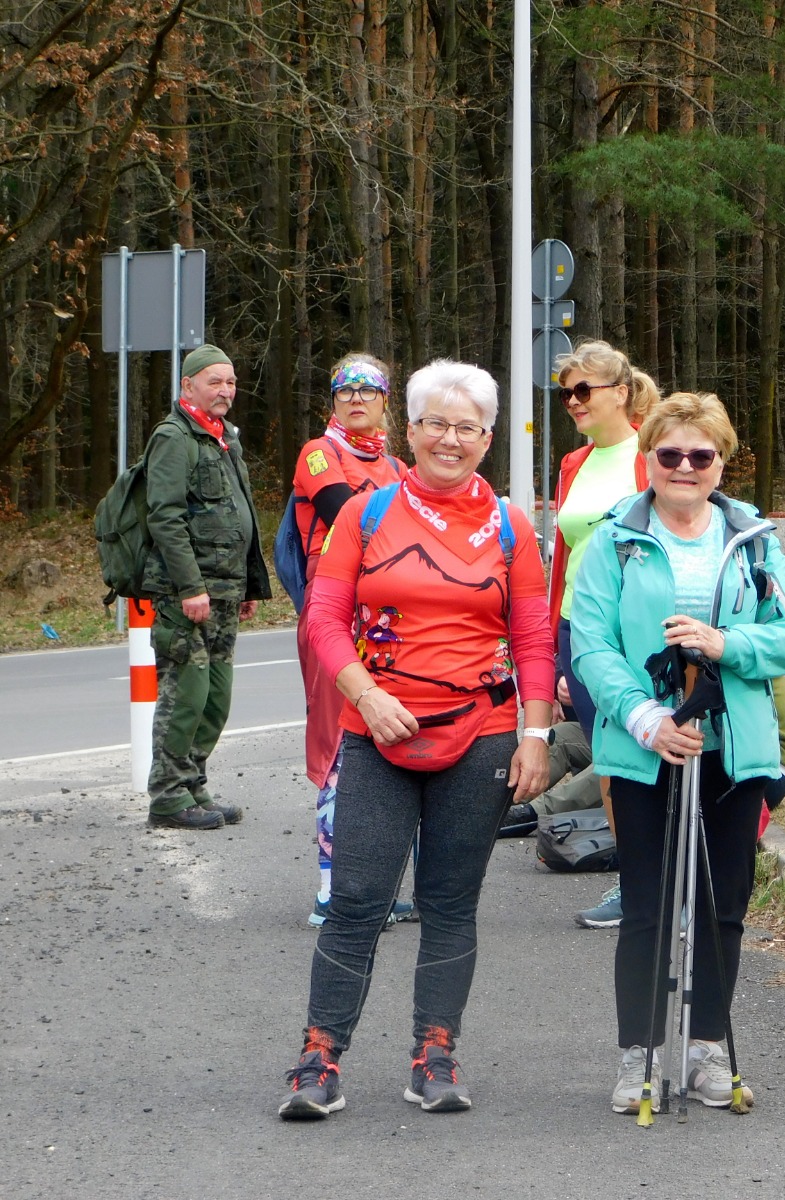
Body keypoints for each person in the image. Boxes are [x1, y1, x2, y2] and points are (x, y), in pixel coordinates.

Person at [278, 359, 556, 1120]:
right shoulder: (366, 515)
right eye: (437, 423)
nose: (450, 439)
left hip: (483, 734)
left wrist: (535, 734)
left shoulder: (511, 525)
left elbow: (534, 636)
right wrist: (365, 694)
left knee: (450, 902)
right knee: (356, 900)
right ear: (411, 430)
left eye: (468, 428)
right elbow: (324, 617)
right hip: (376, 730)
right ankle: (318, 1060)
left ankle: (435, 1055)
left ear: (488, 439)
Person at [570, 391, 785, 1114]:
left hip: (734, 746)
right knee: (647, 906)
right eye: (669, 453)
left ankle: (706, 1049)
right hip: (645, 746)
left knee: (721, 906)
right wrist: (647, 719)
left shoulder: (753, 540)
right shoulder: (614, 540)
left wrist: (724, 643)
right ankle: (638, 1055)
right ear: (648, 459)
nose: (684, 466)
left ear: (721, 463)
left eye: (699, 455)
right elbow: (591, 646)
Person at [290, 354, 406, 926]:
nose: (356, 398)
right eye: (345, 390)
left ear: (386, 400)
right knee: (339, 743)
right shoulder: (319, 452)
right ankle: (330, 888)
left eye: (368, 390)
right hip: (335, 607)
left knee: (387, 742)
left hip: (388, 610)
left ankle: (373, 885)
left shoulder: (397, 465)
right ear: (333, 400)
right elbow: (345, 512)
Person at [546, 341, 655, 928]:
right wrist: (552, 646)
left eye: (584, 390)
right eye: (566, 392)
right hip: (575, 627)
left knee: (643, 756)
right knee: (609, 762)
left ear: (622, 392)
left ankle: (665, 882)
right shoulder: (573, 463)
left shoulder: (653, 454)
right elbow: (564, 558)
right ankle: (636, 883)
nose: (573, 401)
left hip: (630, 631)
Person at [142, 344, 271, 830]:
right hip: (187, 595)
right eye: (214, 381)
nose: (225, 390)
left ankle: (193, 785)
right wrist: (189, 587)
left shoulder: (224, 438)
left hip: (225, 591)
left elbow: (241, 513)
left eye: (230, 382)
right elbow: (165, 517)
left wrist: (248, 587)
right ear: (188, 385)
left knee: (216, 697)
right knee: (186, 695)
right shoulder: (174, 437)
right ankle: (168, 797)